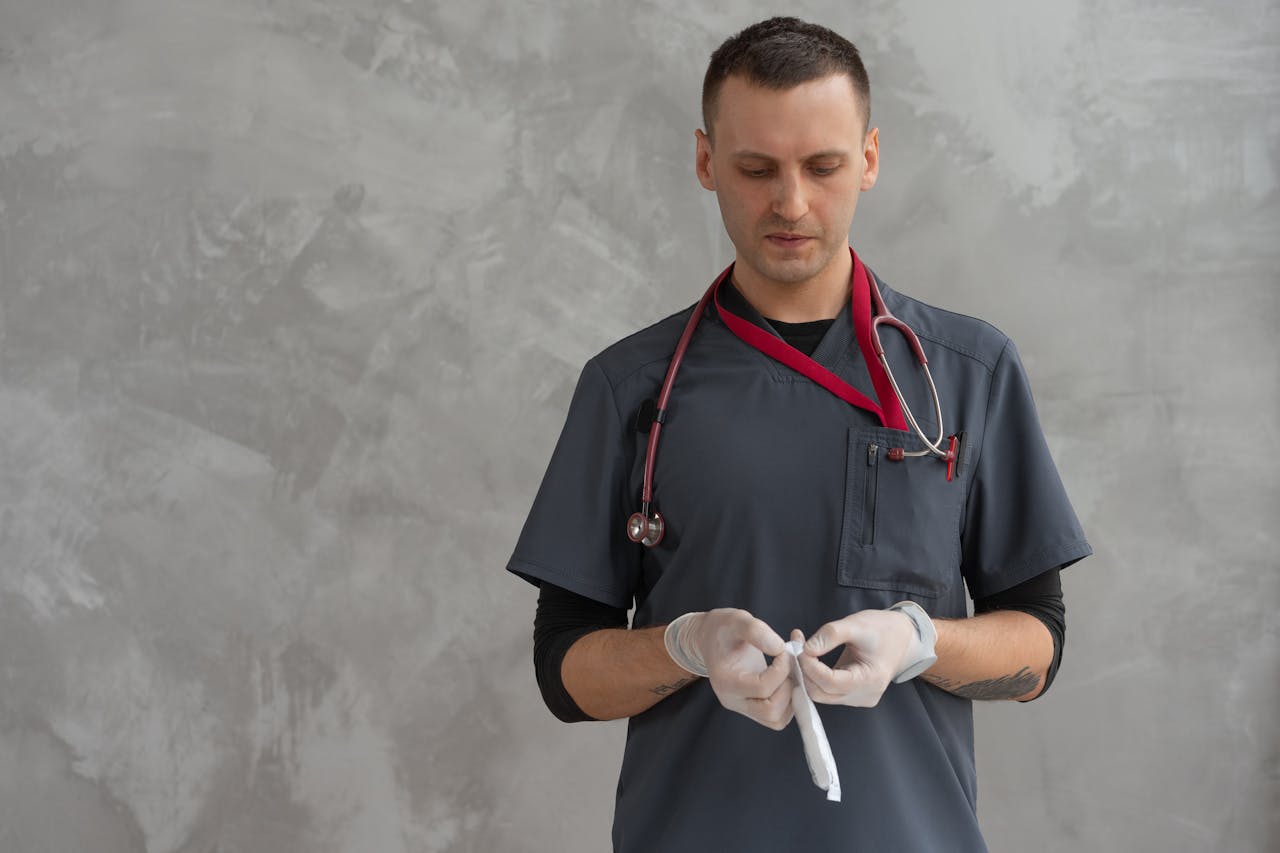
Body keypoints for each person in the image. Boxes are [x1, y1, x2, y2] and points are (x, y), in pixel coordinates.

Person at [506, 16, 1091, 852]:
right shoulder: (631, 388)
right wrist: (686, 644)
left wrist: (918, 642)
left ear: (870, 158)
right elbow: (564, 675)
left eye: (822, 167)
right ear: (706, 162)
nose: (791, 203)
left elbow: (1038, 646)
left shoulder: (968, 372)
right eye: (755, 169)